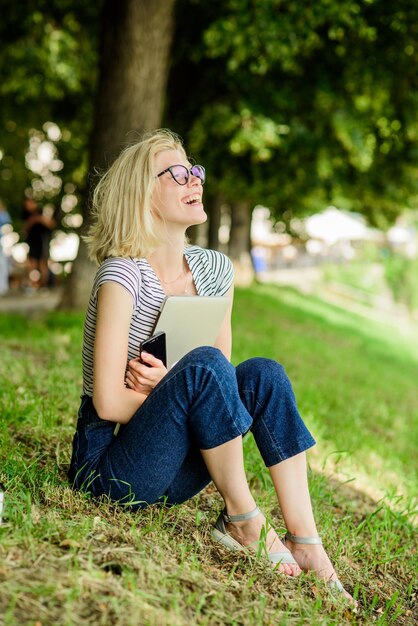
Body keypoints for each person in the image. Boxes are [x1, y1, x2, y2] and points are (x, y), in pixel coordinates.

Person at [68, 129, 354, 603]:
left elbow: (220, 380)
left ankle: (306, 541)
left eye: (194, 169)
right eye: (176, 173)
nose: (194, 178)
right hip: (111, 469)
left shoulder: (216, 271)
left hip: (177, 465)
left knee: (263, 374)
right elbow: (108, 400)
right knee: (203, 367)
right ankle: (244, 518)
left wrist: (169, 386)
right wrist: (168, 393)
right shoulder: (122, 275)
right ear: (144, 194)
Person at [21, 196, 55, 289]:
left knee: (43, 263)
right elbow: (24, 229)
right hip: (31, 241)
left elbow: (51, 224)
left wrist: (39, 219)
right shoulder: (25, 214)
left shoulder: (41, 211)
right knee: (32, 263)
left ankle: (43, 285)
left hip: (42, 240)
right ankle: (33, 285)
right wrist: (32, 220)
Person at [0, 199, 12, 295]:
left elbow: (7, 225)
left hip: (1, 243)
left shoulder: (3, 214)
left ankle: (2, 287)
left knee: (2, 264)